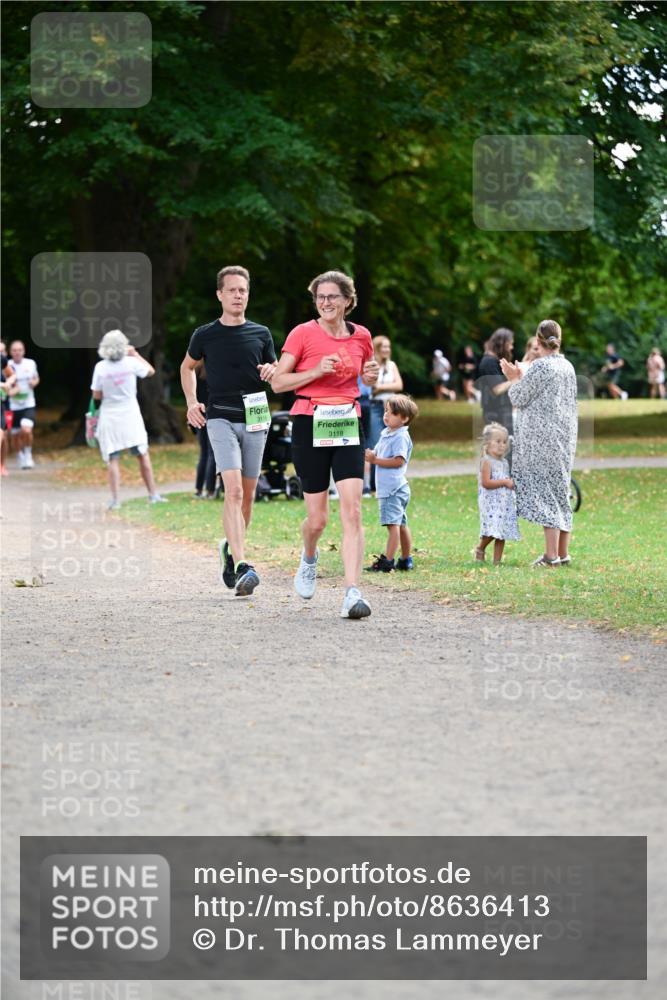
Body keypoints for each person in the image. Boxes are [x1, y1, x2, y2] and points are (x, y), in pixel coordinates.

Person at [271, 269, 379, 619]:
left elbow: (363, 373)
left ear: (348, 300)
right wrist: (316, 371)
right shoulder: (303, 333)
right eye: (320, 297)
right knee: (317, 519)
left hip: (348, 421)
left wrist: (369, 376)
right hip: (309, 422)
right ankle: (309, 556)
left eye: (333, 296)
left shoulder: (361, 336)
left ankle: (352, 592)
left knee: (353, 510)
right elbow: (279, 383)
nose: (325, 302)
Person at [180, 265, 277, 597]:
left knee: (248, 497)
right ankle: (243, 564)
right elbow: (187, 366)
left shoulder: (261, 333)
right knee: (233, 491)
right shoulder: (205, 334)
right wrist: (192, 401)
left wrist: (271, 370)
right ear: (220, 294)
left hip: (256, 416)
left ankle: (231, 551)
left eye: (243, 290)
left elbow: (275, 370)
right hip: (220, 416)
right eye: (233, 290)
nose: (239, 295)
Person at [501, 319, 578, 567]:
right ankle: (563, 553)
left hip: (540, 439)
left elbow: (518, 397)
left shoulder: (541, 367)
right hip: (564, 437)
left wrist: (513, 378)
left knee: (546, 495)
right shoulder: (567, 366)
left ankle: (550, 556)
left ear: (538, 339)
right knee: (560, 491)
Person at [91, 330, 167, 510]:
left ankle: (116, 500)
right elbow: (150, 371)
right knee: (142, 454)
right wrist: (136, 354)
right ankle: (153, 494)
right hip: (130, 414)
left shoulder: (100, 367)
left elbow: (96, 395)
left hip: (110, 415)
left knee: (113, 457)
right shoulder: (131, 363)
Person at [364, 394, 419, 573]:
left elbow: (398, 461)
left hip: (392, 489)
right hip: (395, 488)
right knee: (401, 525)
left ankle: (387, 561)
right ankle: (405, 559)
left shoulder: (400, 437)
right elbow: (378, 453)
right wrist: (371, 454)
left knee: (392, 526)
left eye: (392, 413)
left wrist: (375, 460)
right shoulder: (387, 433)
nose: (386, 415)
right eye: (386, 410)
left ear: (404, 418)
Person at [472, 422, 520, 565]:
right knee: (494, 529)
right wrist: (505, 482)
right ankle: (480, 548)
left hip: (504, 502)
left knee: (502, 531)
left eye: (504, 442)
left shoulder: (504, 462)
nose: (502, 445)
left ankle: (497, 562)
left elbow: (504, 480)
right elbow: (486, 483)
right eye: (498, 441)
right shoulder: (487, 462)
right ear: (487, 443)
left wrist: (510, 484)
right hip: (491, 503)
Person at [367, 336, 403, 493]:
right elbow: (371, 387)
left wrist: (381, 387)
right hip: (375, 407)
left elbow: (399, 385)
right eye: (384, 347)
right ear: (377, 348)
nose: (387, 350)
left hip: (391, 407)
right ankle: (373, 483)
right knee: (376, 442)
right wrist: (386, 386)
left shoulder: (392, 365)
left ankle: (388, 482)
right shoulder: (371, 365)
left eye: (389, 347)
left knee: (392, 443)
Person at [7, 340, 39, 469]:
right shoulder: (7, 365)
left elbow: (37, 378)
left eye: (19, 350)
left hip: (28, 403)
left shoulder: (30, 363)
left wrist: (34, 382)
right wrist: (11, 390)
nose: (17, 353)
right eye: (14, 350)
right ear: (10, 352)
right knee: (14, 435)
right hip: (13, 405)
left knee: (26, 430)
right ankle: (19, 454)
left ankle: (28, 454)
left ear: (23, 351)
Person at [476, 329, 514, 433]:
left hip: (499, 411)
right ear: (503, 343)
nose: (511, 347)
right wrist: (515, 379)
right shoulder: (489, 362)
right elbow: (497, 389)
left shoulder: (492, 361)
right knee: (502, 447)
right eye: (510, 344)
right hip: (495, 412)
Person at [192, 363, 217, 498]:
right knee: (213, 453)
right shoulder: (214, 371)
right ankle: (210, 489)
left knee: (203, 453)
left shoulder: (195, 372)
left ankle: (198, 488)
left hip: (199, 414)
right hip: (213, 413)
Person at [1, 341, 18, 476]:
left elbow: (13, 377)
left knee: (4, 436)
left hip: (4, 405)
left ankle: (2, 464)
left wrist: (7, 385)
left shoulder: (2, 360)